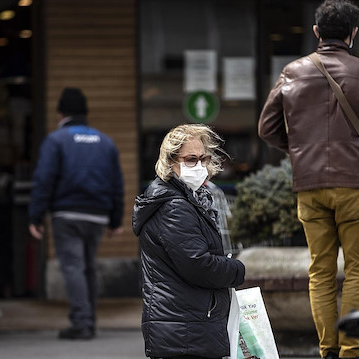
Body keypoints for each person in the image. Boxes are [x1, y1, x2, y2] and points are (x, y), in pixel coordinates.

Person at [258, 1, 359, 358]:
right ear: (353, 33)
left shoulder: (292, 71)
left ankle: (328, 349)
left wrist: (299, 151)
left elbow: (266, 129)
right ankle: (353, 350)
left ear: (316, 32)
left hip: (309, 186)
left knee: (321, 271)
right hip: (355, 183)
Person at [132, 124, 246, 359]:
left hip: (186, 325)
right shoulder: (176, 207)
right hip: (184, 329)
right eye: (191, 159)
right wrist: (237, 269)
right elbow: (197, 264)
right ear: (171, 162)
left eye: (203, 158)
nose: (200, 166)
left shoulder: (190, 201)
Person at [28, 87, 124, 340]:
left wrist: (35, 216)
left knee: (73, 268)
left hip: (67, 214)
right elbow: (117, 183)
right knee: (88, 266)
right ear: (86, 113)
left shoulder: (56, 140)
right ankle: (89, 320)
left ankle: (82, 323)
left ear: (60, 113)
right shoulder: (105, 142)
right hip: (98, 215)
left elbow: (44, 179)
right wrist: (115, 219)